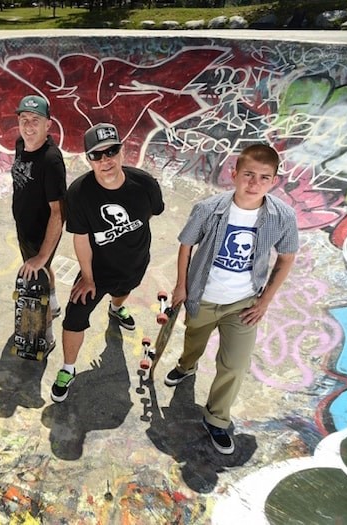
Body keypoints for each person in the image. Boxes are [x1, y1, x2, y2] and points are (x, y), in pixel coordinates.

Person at [163, 144, 299, 455]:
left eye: (264, 177)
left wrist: (264, 301)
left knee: (234, 365)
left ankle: (217, 418)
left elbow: (286, 258)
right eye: (249, 174)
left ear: (274, 181)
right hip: (203, 296)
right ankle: (186, 366)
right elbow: (186, 246)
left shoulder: (283, 216)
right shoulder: (208, 208)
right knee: (193, 341)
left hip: (244, 304)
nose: (255, 183)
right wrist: (181, 286)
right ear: (234, 174)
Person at [50, 123, 165, 402]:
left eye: (111, 151)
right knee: (75, 313)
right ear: (88, 160)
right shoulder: (79, 193)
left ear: (123, 151)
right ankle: (67, 368)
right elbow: (81, 238)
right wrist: (87, 278)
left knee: (123, 291)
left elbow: (152, 213)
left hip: (134, 262)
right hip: (97, 269)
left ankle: (116, 309)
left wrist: (129, 242)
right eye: (97, 155)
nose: (106, 160)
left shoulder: (145, 184)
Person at [11, 95, 67, 350]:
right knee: (42, 273)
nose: (29, 126)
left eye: (36, 120)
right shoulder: (20, 144)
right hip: (24, 227)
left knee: (36, 283)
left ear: (48, 124)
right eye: (24, 119)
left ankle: (47, 336)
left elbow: (58, 212)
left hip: (42, 232)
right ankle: (54, 302)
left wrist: (43, 255)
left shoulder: (51, 161)